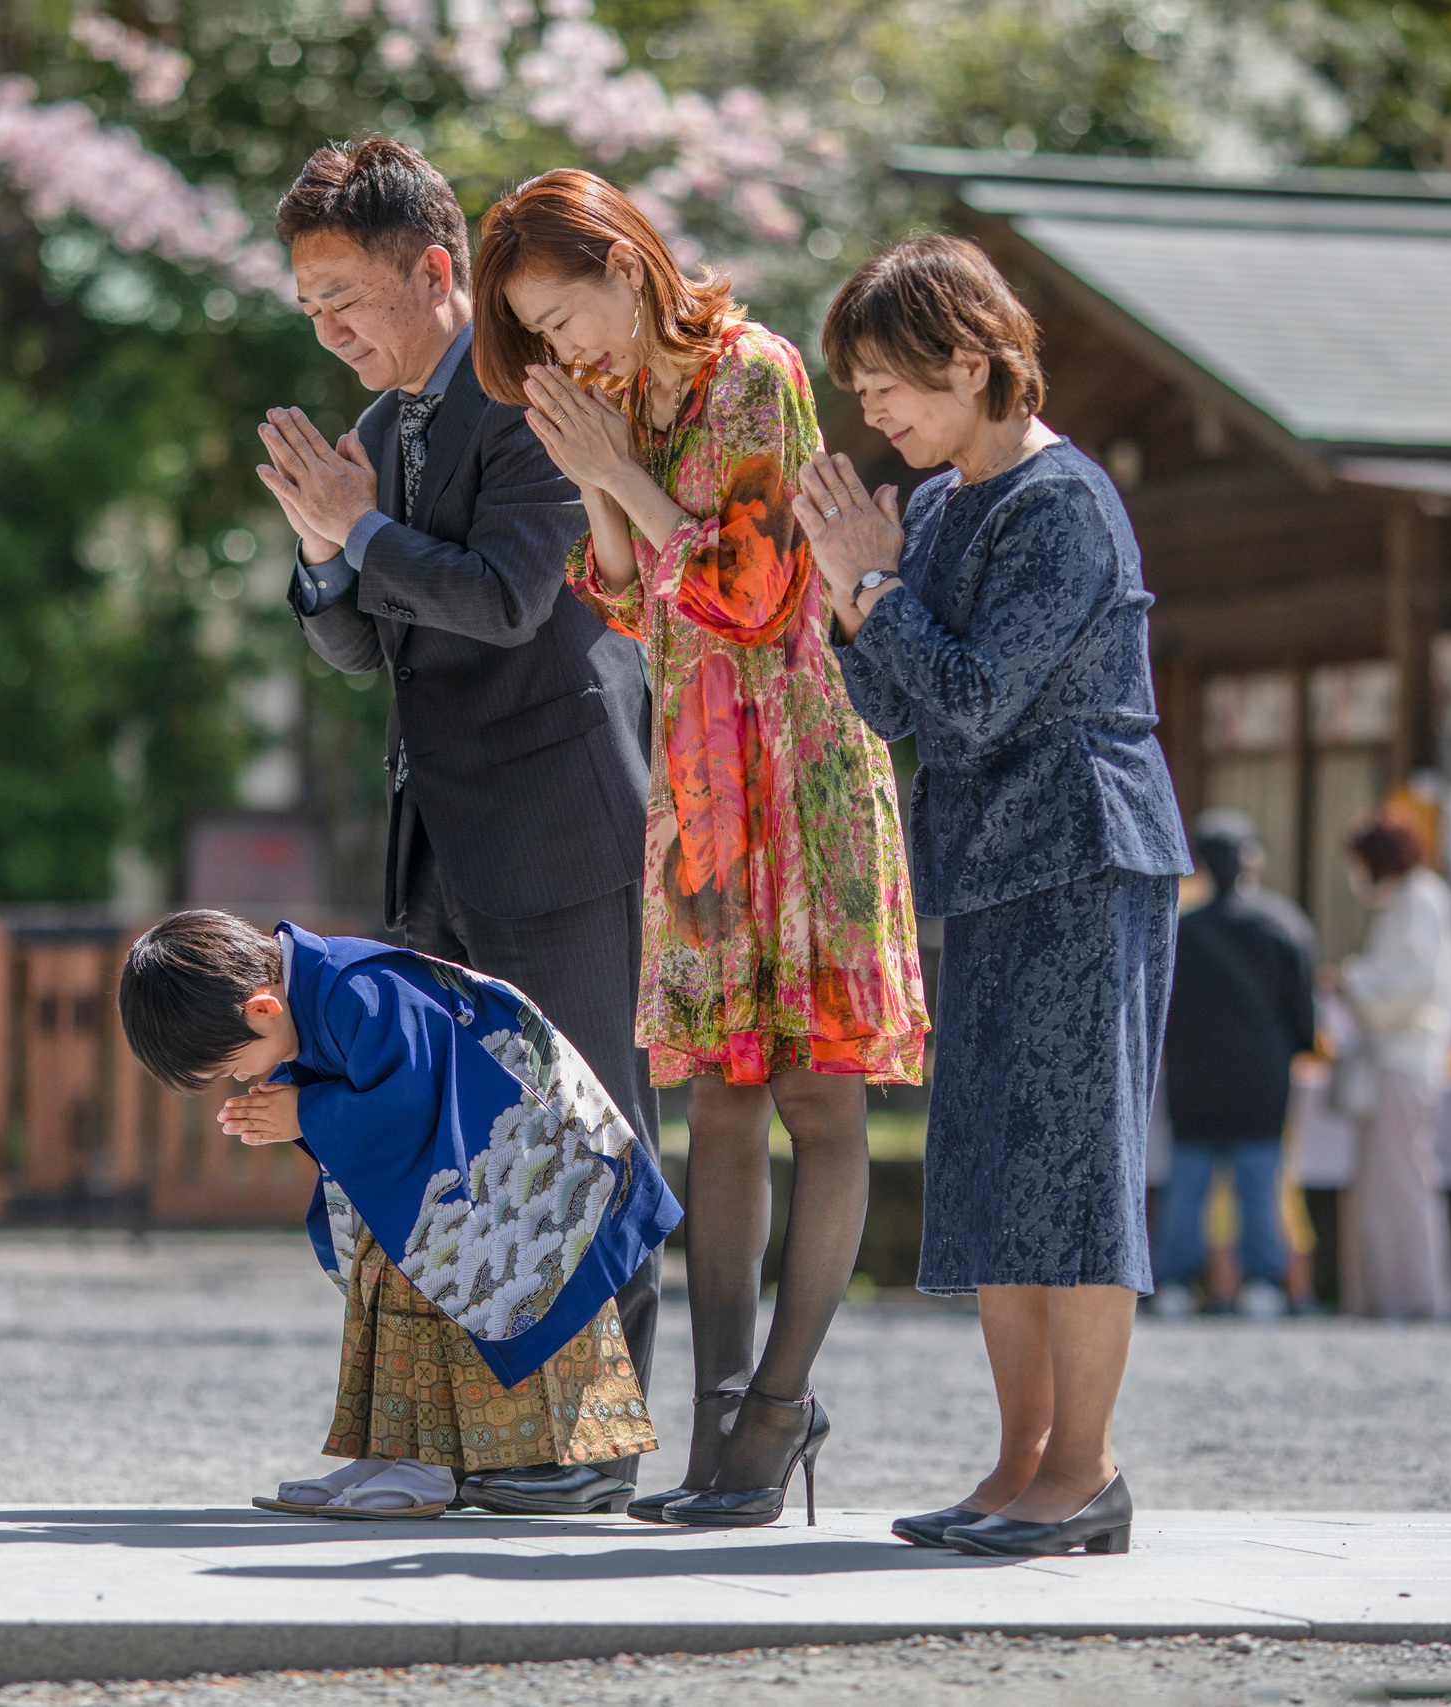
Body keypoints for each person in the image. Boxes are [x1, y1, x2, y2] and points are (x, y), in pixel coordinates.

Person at [471, 169, 930, 1529]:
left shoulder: (753, 374)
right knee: (719, 1101)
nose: (563, 346)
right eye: (538, 333)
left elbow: (752, 589)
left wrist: (614, 471)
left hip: (803, 762)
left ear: (627, 265)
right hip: (700, 784)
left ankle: (778, 1404)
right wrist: (598, 476)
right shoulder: (624, 397)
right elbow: (625, 598)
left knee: (817, 1097)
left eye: (564, 313)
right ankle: (721, 1419)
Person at [253, 139, 659, 1517]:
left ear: (435, 270)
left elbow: (506, 598)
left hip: (558, 819)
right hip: (434, 825)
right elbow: (358, 650)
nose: (328, 328)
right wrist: (324, 555)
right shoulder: (377, 433)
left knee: (589, 1127)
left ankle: (596, 1447)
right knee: (454, 1140)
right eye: (308, 306)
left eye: (343, 296)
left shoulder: (532, 394)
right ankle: (461, 1440)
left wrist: (360, 536)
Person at [797, 235, 1189, 1559]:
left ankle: (1084, 1469)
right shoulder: (941, 505)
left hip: (1085, 851)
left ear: (970, 362)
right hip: (986, 859)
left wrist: (872, 584)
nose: (874, 414)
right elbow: (896, 706)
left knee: (1074, 1170)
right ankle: (1020, 1461)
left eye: (887, 385)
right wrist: (849, 593)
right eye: (860, 390)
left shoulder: (1062, 502)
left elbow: (970, 696)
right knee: (993, 1168)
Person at [117, 910, 680, 1518]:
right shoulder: (316, 995)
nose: (241, 1077)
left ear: (262, 1009)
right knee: (383, 1280)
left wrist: (307, 1113)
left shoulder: (359, 990)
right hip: (457, 1162)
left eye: (234, 1064)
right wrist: (307, 1114)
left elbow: (411, 1099)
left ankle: (462, 1464)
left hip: (520, 1154)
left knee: (465, 1280)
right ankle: (391, 1451)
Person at [1151, 813, 1317, 1322]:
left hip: (1193, 1078)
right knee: (1259, 1182)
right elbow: (1304, 1020)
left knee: (1188, 1182)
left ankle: (1175, 1284)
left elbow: (1160, 1013)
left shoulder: (1179, 930)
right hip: (1262, 1078)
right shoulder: (1284, 924)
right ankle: (1262, 1283)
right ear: (1251, 859)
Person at [1333, 818, 1451, 1321]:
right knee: (1382, 1186)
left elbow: (1412, 984)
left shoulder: (1420, 899)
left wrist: (1355, 982)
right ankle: (1384, 1297)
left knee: (1401, 1184)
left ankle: (1416, 1298)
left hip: (1404, 1060)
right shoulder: (1414, 898)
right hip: (1399, 1060)